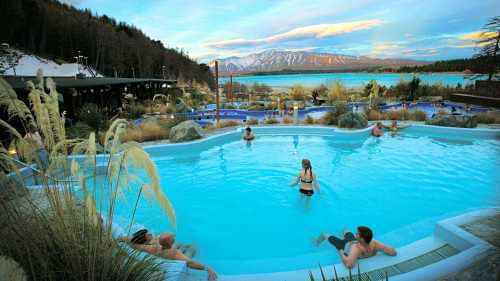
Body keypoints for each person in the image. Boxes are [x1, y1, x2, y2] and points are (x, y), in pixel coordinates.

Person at [120, 229, 217, 280]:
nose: (150, 234)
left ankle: (187, 245)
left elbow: (131, 241)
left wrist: (121, 239)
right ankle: (195, 245)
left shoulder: (150, 248)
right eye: (148, 235)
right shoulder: (173, 253)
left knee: (183, 246)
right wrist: (208, 268)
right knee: (192, 248)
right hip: (173, 254)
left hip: (164, 250)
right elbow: (190, 263)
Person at [314, 226, 397, 269]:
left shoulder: (356, 248)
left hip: (344, 245)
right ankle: (343, 233)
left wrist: (341, 252)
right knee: (346, 230)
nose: (356, 234)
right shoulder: (374, 242)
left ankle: (316, 242)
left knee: (325, 234)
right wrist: (383, 249)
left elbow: (349, 265)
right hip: (352, 241)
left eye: (357, 234)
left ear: (361, 238)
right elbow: (393, 252)